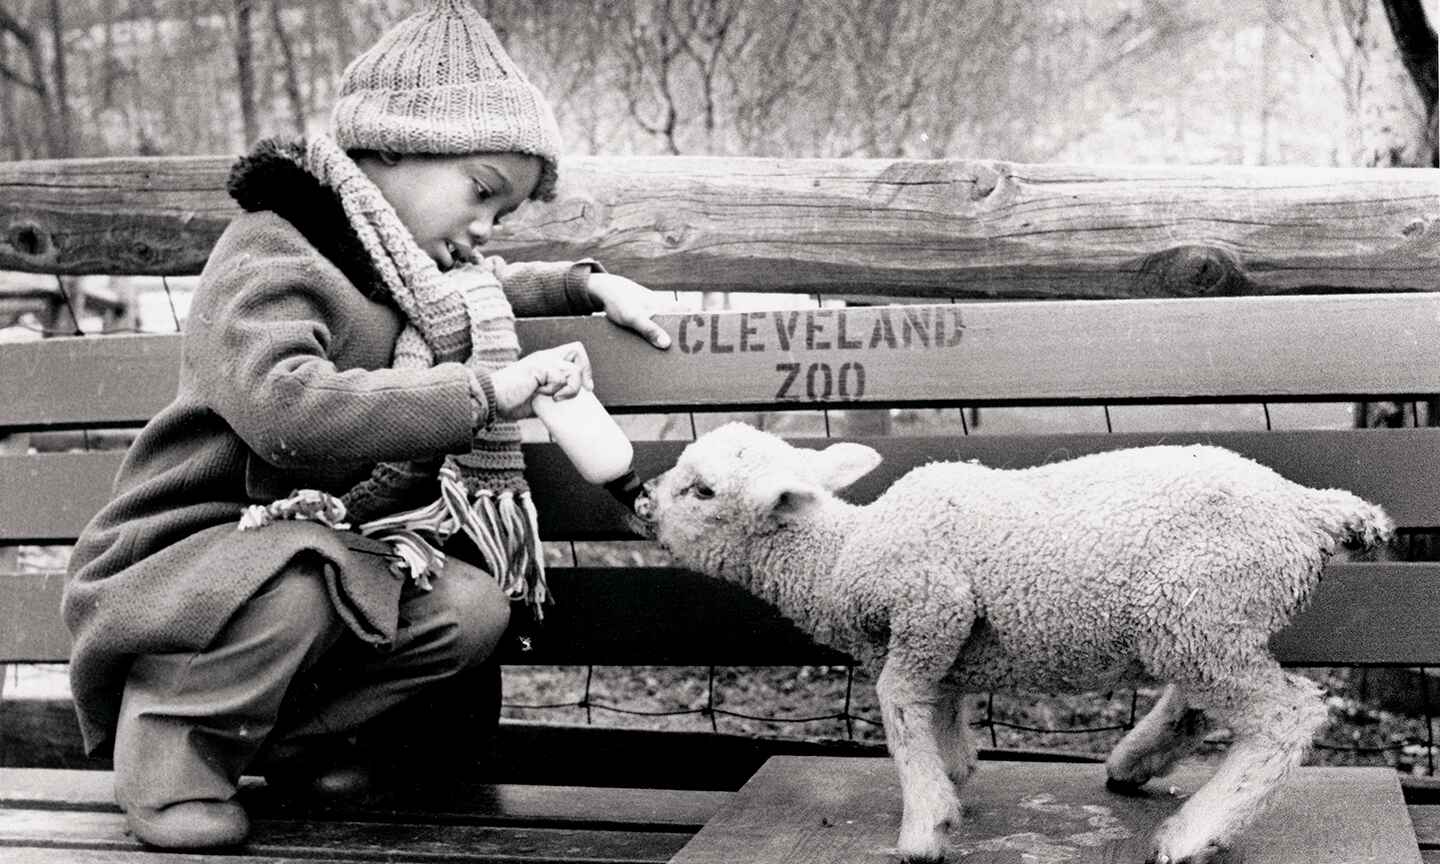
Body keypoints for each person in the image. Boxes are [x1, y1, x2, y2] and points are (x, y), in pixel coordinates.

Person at [62, 0, 671, 850]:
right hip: (192, 556)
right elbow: (286, 411)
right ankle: (169, 754)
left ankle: (292, 741)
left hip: (324, 550)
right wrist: (482, 393)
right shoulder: (275, 250)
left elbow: (485, 289)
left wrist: (587, 286)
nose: (485, 229)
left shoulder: (400, 268)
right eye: (482, 192)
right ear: (391, 146)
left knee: (468, 607)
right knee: (307, 578)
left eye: (504, 215)